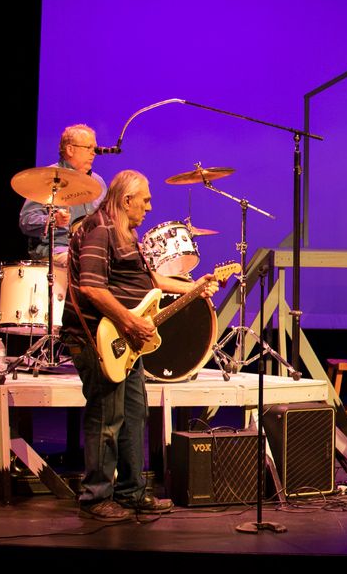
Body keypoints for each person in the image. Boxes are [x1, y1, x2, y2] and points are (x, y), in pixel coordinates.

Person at [62, 170, 218, 521]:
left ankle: (131, 493)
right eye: (145, 200)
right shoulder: (99, 229)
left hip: (125, 342)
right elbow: (91, 287)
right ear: (126, 200)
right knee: (106, 416)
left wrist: (194, 288)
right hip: (98, 338)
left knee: (134, 414)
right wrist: (130, 322)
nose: (149, 207)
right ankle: (95, 497)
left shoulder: (125, 233)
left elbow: (148, 280)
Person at [18, 124, 107, 265]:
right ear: (70, 149)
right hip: (57, 250)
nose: (94, 153)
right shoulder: (48, 178)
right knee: (86, 261)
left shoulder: (98, 182)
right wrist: (53, 220)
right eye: (88, 148)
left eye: (94, 148)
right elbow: (26, 220)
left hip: (91, 249)